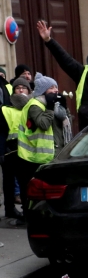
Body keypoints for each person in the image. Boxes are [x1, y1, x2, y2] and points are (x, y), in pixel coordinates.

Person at [16, 75, 71, 200]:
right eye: (51, 88)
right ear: (42, 91)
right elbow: (43, 124)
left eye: (56, 87)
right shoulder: (35, 105)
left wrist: (64, 108)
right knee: (36, 193)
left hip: (56, 153)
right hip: (35, 156)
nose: (55, 91)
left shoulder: (55, 104)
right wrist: (50, 108)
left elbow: (66, 126)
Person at [1, 77, 30, 223]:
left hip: (27, 150)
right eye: (17, 88)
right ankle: (9, 209)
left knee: (25, 182)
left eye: (23, 88)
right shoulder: (6, 110)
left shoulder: (33, 107)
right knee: (9, 182)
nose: (20, 90)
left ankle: (27, 211)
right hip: (10, 149)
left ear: (28, 91)